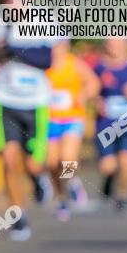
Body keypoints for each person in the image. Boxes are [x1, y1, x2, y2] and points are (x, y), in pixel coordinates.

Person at [0, 0, 58, 241]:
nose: (12, 4)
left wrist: (11, 49)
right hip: (5, 101)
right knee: (9, 159)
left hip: (36, 103)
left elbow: (47, 59)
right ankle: (18, 215)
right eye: (6, 0)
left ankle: (37, 177)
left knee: (35, 163)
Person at [45, 40, 99, 221]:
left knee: (67, 158)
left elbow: (93, 82)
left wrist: (83, 95)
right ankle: (61, 197)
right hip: (49, 120)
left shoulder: (74, 63)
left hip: (72, 118)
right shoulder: (42, 63)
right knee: (52, 163)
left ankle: (72, 181)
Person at [93, 38, 127, 212]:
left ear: (126, 45)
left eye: (117, 43)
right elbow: (91, 89)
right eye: (110, 43)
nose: (113, 46)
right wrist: (97, 101)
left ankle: (122, 195)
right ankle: (109, 178)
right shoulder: (99, 68)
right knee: (108, 165)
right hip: (106, 123)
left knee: (126, 160)